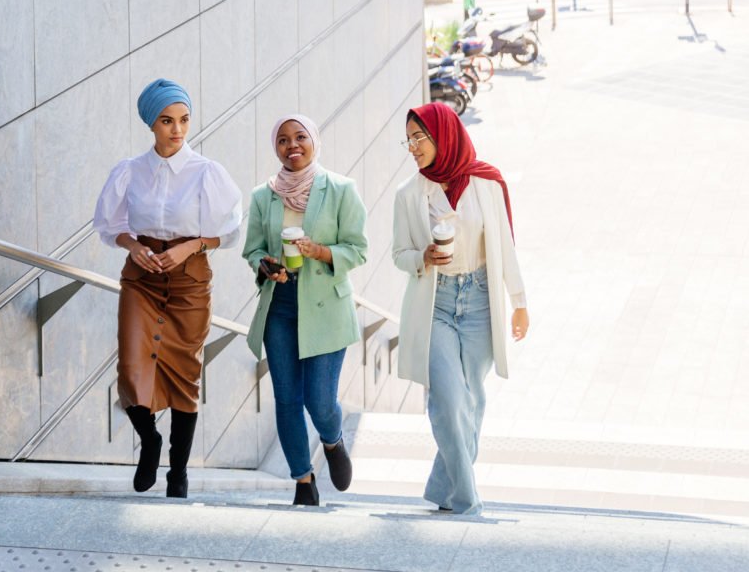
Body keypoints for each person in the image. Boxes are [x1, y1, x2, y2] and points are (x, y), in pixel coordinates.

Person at [93, 78, 242, 498]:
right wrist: (132, 245)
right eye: (167, 121)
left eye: (184, 120)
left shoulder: (207, 172)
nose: (177, 130)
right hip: (141, 277)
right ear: (151, 124)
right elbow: (110, 225)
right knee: (131, 365)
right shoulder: (129, 171)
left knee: (184, 373)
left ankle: (178, 473)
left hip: (189, 279)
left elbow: (229, 231)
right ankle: (150, 441)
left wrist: (191, 247)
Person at [392, 102, 529, 515]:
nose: (413, 147)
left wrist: (519, 302)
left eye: (420, 138)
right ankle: (469, 502)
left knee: (472, 400)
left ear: (444, 136)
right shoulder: (408, 194)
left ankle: (444, 491)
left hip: (480, 300)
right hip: (437, 302)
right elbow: (400, 253)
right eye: (409, 139)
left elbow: (504, 244)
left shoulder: (486, 183)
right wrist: (423, 258)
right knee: (448, 400)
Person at [242, 114, 368, 506]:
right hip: (279, 306)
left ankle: (332, 440)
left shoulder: (342, 189)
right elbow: (253, 250)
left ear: (314, 141)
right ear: (275, 147)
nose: (292, 145)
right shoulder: (264, 196)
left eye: (300, 137)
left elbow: (358, 248)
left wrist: (321, 251)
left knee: (318, 400)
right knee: (286, 398)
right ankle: (302, 479)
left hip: (326, 307)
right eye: (283, 139)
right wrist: (266, 265)